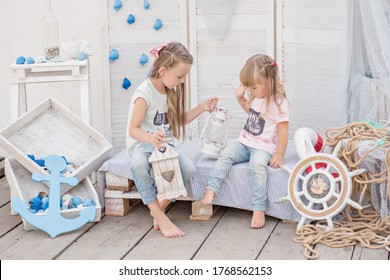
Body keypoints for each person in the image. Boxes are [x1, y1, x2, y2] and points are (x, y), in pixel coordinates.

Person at [127, 42, 218, 238]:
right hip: (142, 144)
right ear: (162, 70)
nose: (182, 81)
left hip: (164, 145)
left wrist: (201, 107)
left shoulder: (170, 91)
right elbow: (133, 130)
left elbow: (178, 120)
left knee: (188, 169)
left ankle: (158, 210)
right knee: (139, 164)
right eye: (180, 76)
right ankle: (162, 217)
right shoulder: (144, 94)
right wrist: (150, 138)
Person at [201, 54, 289, 229]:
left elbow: (284, 132)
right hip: (245, 141)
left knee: (256, 166)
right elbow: (252, 114)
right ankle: (211, 188)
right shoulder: (257, 96)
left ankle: (259, 207)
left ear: (269, 82)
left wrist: (279, 154)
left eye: (254, 87)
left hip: (263, 147)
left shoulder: (279, 103)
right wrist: (241, 99)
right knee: (226, 154)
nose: (251, 91)